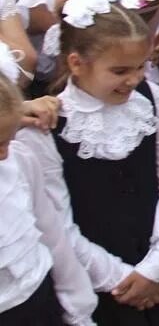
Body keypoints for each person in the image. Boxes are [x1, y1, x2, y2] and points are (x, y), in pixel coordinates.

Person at [16, 0, 159, 324]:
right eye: (119, 70)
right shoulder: (46, 128)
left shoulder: (153, 100)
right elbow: (58, 224)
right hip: (102, 283)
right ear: (77, 63)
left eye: (140, 67)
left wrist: (155, 265)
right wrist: (121, 279)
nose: (133, 80)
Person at [1, 72, 99, 325]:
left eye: (9, 141)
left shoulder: (19, 160)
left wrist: (79, 309)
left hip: (40, 301)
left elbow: (51, 234)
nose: (5, 154)